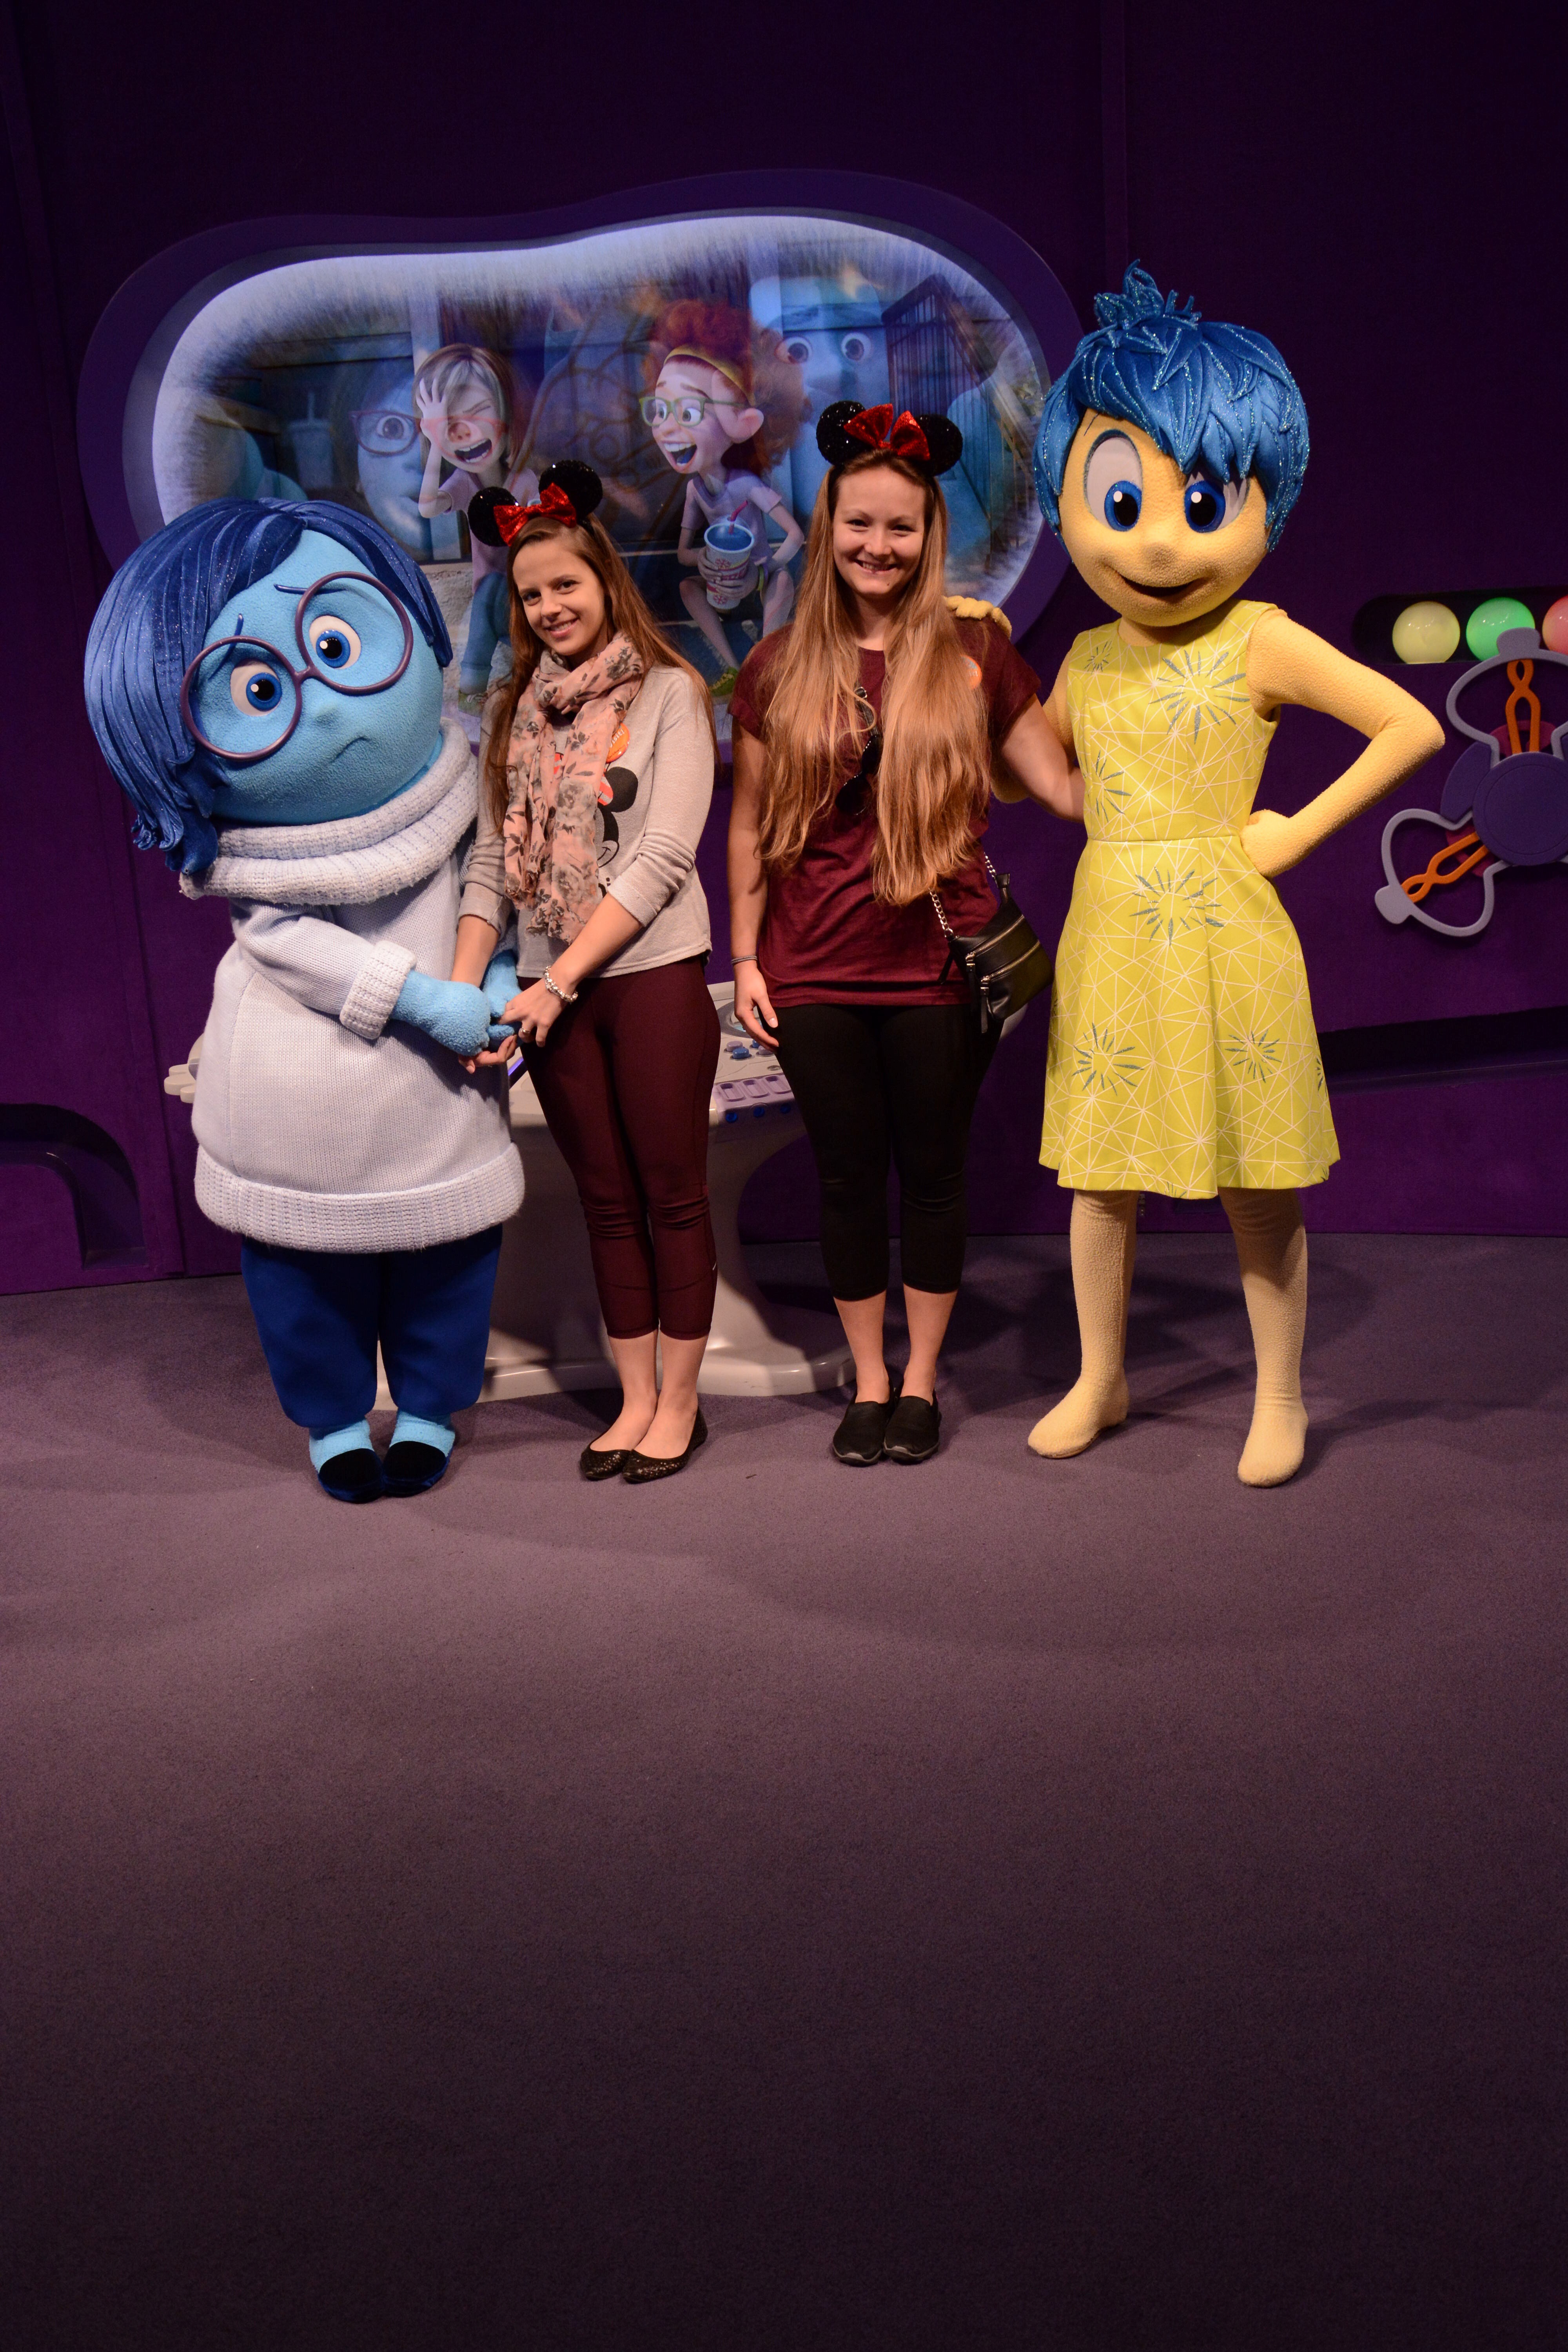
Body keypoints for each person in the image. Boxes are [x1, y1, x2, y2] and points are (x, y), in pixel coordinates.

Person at [1028, 266, 1445, 1485]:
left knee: (1254, 1178)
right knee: (1100, 1176)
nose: (1158, 537)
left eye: (1203, 499)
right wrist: (979, 672)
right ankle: (1101, 1376)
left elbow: (1408, 724)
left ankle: (1279, 1394)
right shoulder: (1087, 656)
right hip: (1111, 927)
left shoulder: (1258, 637)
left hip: (1225, 927)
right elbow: (1034, 771)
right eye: (1120, 498)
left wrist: (1295, 831)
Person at [83, 499, 522, 1504]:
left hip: (436, 1100)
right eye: (256, 690)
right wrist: (426, 1000)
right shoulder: (261, 869)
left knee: (449, 1265)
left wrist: (497, 978)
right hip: (299, 1105)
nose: (323, 706)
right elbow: (286, 942)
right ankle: (333, 1423)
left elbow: (491, 890)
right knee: (303, 1281)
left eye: (336, 644)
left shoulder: (462, 797)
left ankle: (428, 1412)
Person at [727, 402, 1080, 1466]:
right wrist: (743, 958)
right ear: (827, 529)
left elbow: (1064, 788)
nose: (878, 546)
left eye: (901, 527)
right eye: (859, 524)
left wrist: (1137, 690)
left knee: (931, 1176)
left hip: (940, 966)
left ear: (930, 537)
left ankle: (919, 1380)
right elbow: (749, 826)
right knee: (845, 1180)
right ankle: (868, 1381)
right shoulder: (777, 665)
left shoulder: (976, 653)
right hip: (811, 970)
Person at [451, 463, 721, 1484]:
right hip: (545, 990)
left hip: (646, 977)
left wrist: (557, 980)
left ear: (605, 579)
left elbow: (662, 860)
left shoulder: (669, 693)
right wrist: (462, 997)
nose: (549, 607)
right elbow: (490, 864)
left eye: (565, 584)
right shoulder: (513, 711)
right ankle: (635, 1399)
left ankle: (680, 1406)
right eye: (530, 594)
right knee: (604, 1203)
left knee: (671, 1196)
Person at [642, 300, 806, 686]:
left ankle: (765, 666)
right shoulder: (696, 489)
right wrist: (701, 560)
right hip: (720, 581)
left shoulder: (747, 485)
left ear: (744, 423)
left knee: (784, 583)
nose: (667, 428)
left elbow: (796, 536)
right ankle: (734, 666)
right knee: (687, 588)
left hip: (758, 577)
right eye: (660, 410)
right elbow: (683, 553)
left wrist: (763, 570)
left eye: (688, 413)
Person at [414, 344, 540, 710]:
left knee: (501, 595)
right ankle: (472, 690)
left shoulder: (525, 480)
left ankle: (505, 681)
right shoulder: (464, 483)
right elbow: (427, 507)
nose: (464, 433)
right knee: (489, 592)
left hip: (526, 592)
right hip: (490, 597)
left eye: (479, 412)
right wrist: (434, 443)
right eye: (449, 424)